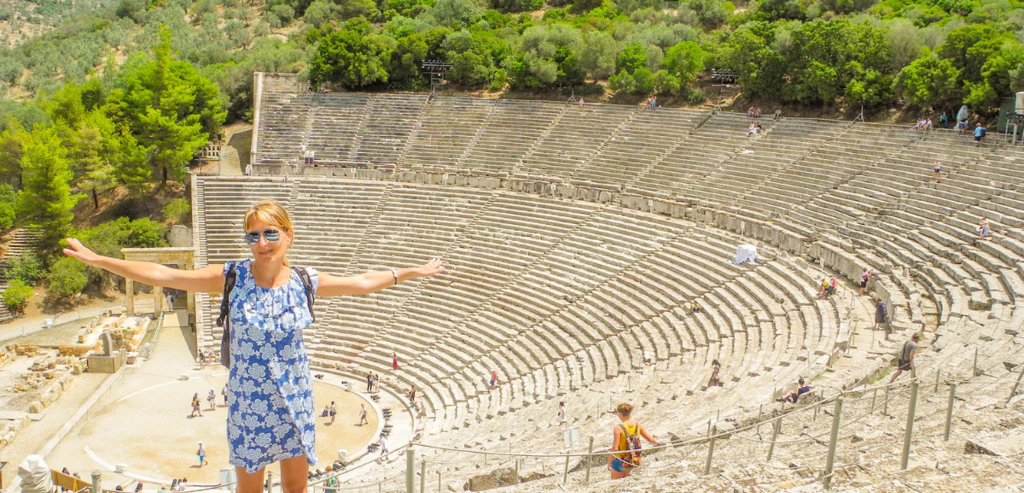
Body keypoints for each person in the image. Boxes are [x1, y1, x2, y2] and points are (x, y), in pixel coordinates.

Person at [60, 200, 445, 493]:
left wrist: (410, 272)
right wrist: (100, 261)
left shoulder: (305, 281)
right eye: (253, 235)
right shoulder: (231, 277)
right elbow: (164, 274)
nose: (262, 243)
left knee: (296, 487)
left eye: (270, 233)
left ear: (288, 235)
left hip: (294, 397)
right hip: (249, 401)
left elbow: (360, 283)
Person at [607, 403, 660, 479]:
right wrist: (657, 442)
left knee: (615, 482)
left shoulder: (618, 428)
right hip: (632, 460)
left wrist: (610, 462)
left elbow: (615, 448)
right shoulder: (637, 425)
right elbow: (650, 439)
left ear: (620, 414)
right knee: (624, 479)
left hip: (620, 460)